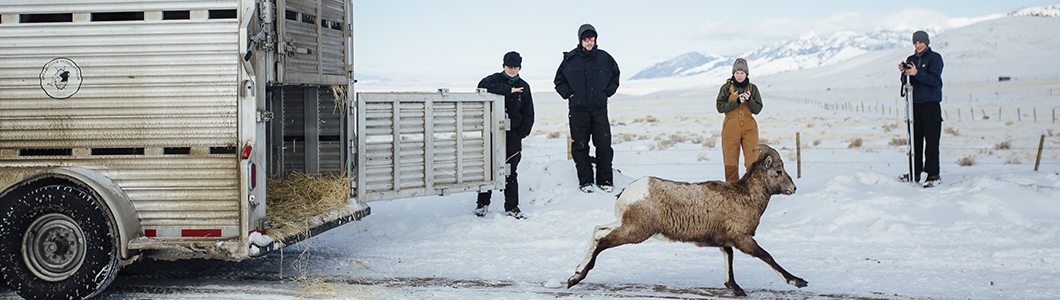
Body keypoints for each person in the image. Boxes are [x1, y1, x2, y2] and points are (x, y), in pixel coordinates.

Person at [554, 23, 620, 193]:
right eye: (586, 39)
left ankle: (605, 180)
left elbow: (615, 76)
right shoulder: (570, 59)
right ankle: (586, 182)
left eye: (592, 38)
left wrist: (606, 93)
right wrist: (569, 95)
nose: (589, 42)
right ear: (580, 40)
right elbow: (559, 81)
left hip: (599, 109)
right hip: (578, 111)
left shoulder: (605, 58)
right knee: (580, 146)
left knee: (604, 145)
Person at [474, 51, 535, 219]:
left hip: (513, 134)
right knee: (488, 167)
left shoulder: (524, 86)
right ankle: (482, 204)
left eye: (515, 67)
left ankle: (512, 206)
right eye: (509, 66)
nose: (512, 69)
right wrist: (509, 90)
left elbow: (528, 112)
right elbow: (481, 86)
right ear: (504, 66)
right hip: (492, 133)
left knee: (510, 169)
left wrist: (521, 133)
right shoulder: (493, 80)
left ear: (520, 67)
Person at [898, 30, 944, 187]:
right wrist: (904, 73)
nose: (918, 45)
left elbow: (934, 80)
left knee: (931, 141)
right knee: (915, 141)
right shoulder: (911, 59)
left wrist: (917, 72)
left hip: (931, 104)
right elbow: (906, 81)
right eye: (915, 43)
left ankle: (933, 175)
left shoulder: (935, 58)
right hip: (914, 105)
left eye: (920, 42)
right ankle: (914, 172)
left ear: (927, 42)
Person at [716, 58, 763, 182]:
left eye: (742, 73)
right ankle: (732, 193)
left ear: (746, 74)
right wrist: (736, 101)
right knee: (730, 163)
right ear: (733, 74)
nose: (739, 75)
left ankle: (753, 191)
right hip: (730, 128)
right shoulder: (726, 88)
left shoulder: (753, 88)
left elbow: (757, 109)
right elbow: (720, 107)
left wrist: (749, 100)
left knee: (753, 161)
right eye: (737, 73)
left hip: (749, 128)